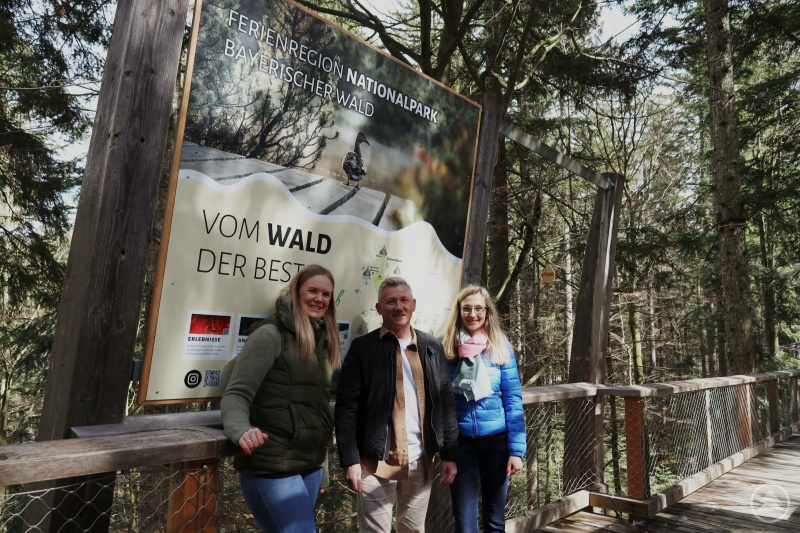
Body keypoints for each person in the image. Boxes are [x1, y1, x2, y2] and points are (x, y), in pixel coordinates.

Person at [221, 264, 341, 533]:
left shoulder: (323, 341)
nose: (319, 299)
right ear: (296, 292)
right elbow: (236, 393)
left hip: (309, 466)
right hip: (272, 465)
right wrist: (241, 430)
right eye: (312, 291)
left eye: (326, 294)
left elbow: (318, 411)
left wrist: (323, 468)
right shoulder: (270, 335)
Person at [335, 277, 459, 533]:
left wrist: (449, 454)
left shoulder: (431, 347)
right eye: (391, 301)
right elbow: (346, 408)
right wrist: (350, 459)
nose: (399, 307)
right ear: (379, 308)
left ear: (413, 305)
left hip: (420, 460)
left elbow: (446, 403)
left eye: (404, 300)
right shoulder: (363, 349)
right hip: (375, 463)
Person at [442, 285, 526, 533]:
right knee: (465, 524)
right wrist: (446, 451)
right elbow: (442, 403)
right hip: (461, 444)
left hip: (496, 443)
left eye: (479, 308)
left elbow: (513, 399)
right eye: (467, 308)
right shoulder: (446, 349)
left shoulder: (500, 346)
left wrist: (516, 450)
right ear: (459, 311)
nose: (473, 314)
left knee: (495, 521)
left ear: (487, 312)